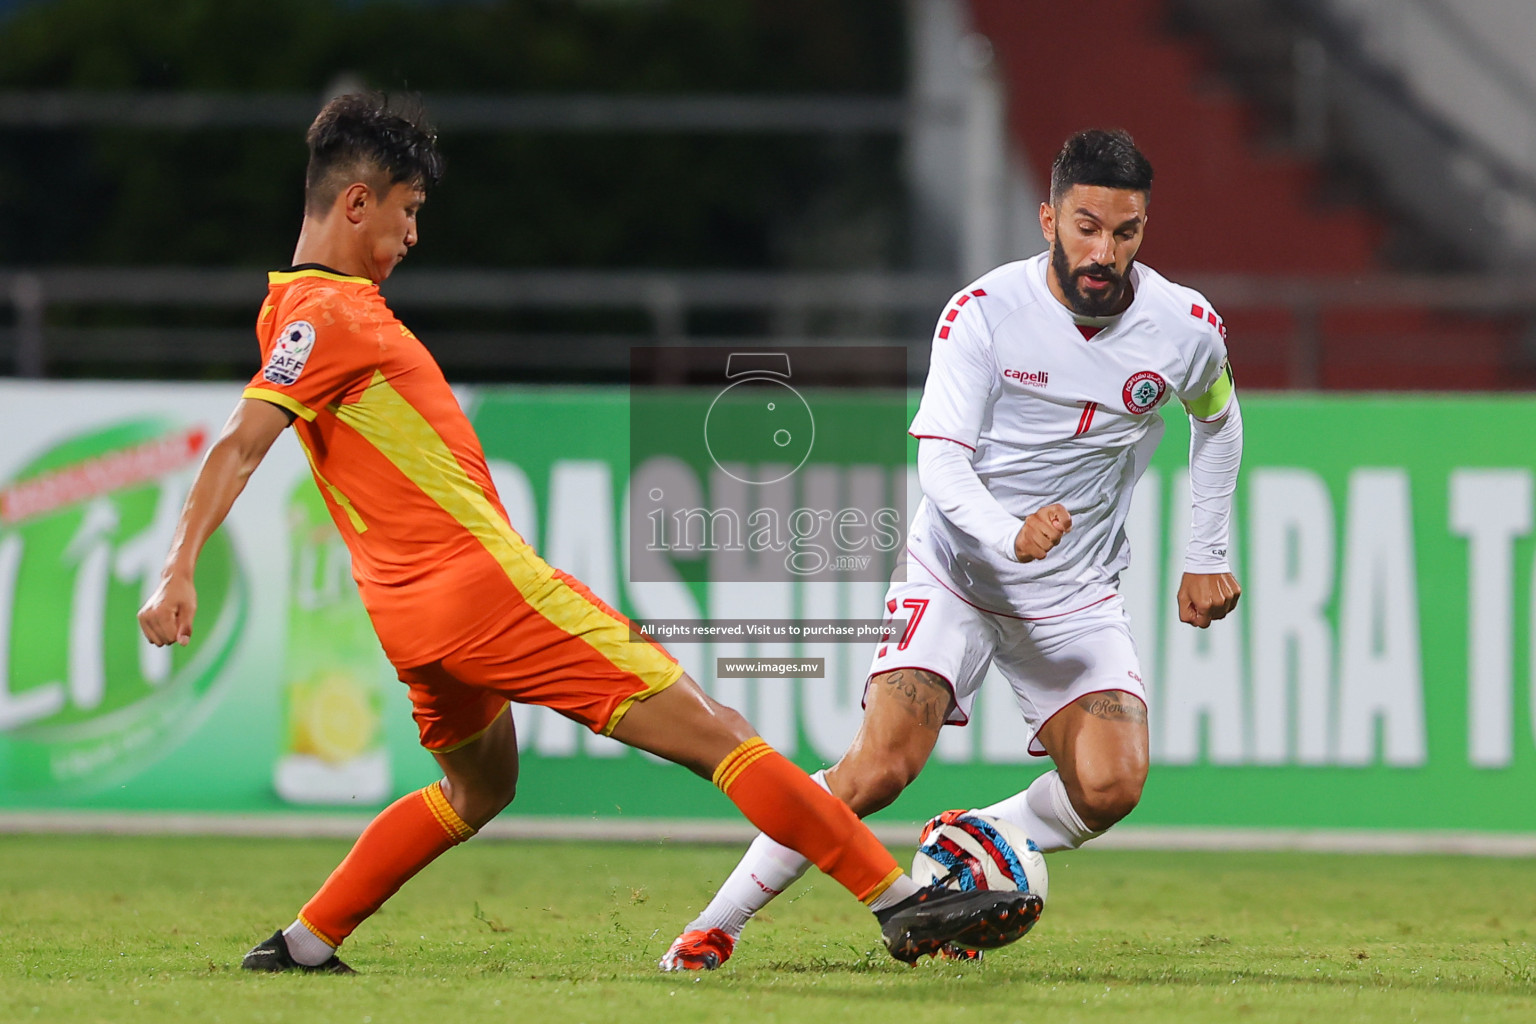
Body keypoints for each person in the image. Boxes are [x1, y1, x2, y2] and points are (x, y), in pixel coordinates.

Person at [134, 92, 1038, 974]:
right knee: (717, 733)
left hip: (407, 620)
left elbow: (248, 439)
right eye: (406, 212)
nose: (412, 235)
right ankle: (898, 902)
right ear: (357, 202)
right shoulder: (333, 317)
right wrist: (178, 568)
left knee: (478, 790)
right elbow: (237, 446)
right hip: (483, 591)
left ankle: (304, 941)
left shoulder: (289, 311)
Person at [660, 128, 1243, 971]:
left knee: (1113, 785)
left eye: (1125, 232)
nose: (1104, 252)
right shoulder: (983, 314)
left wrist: (1207, 548)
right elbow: (940, 460)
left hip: (1075, 591)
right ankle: (717, 923)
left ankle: (977, 845)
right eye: (1085, 226)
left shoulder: (1184, 327)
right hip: (959, 571)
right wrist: (1009, 533)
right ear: (1047, 216)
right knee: (879, 769)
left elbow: (1218, 418)